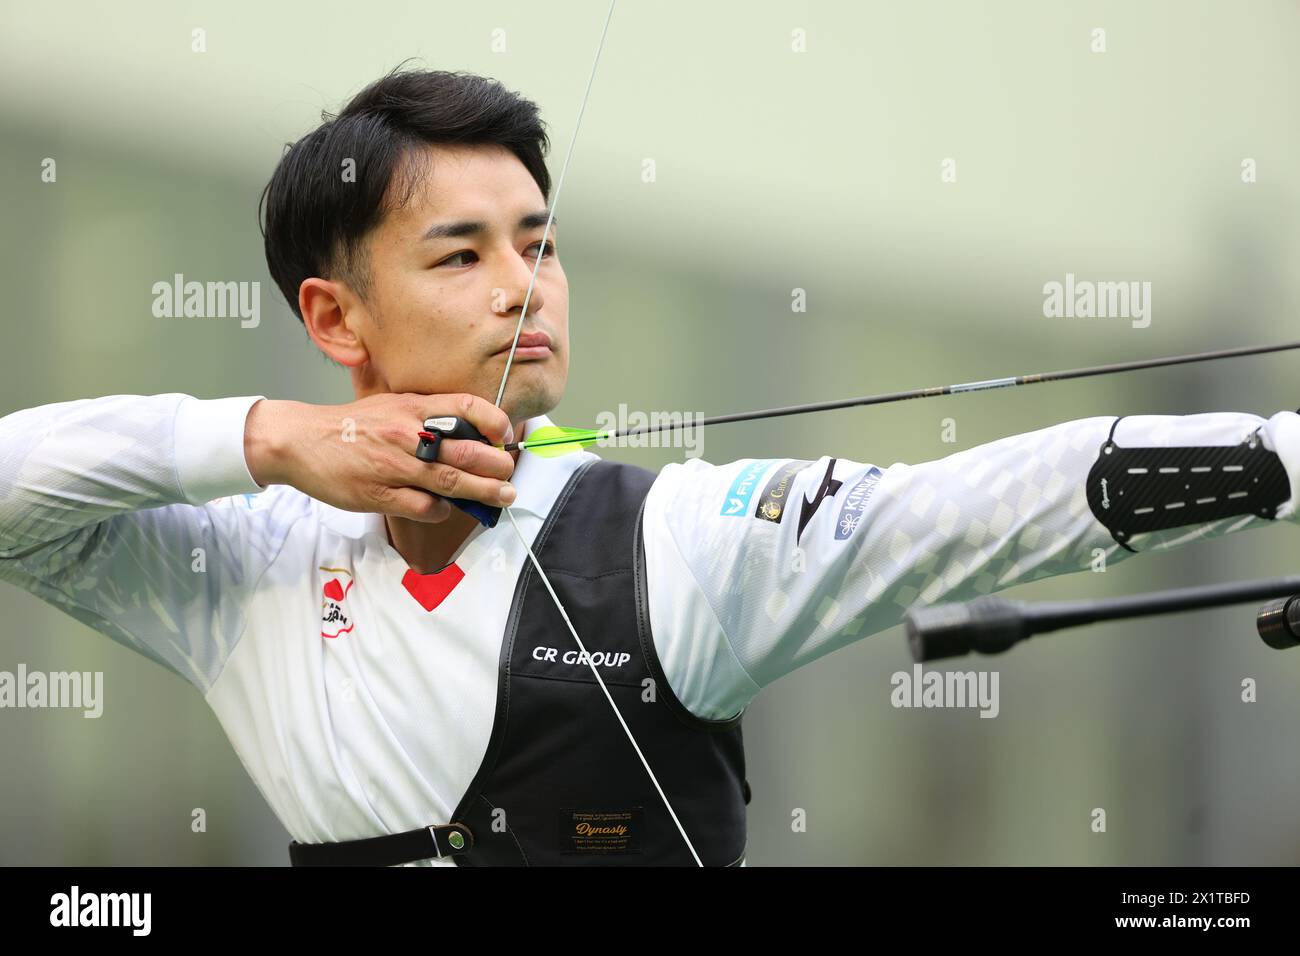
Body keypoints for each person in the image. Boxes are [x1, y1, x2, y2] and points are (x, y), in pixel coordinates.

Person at [2, 68, 1298, 866]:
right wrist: (270, 440)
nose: (526, 289)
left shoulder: (673, 540)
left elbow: (977, 507)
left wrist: (1284, 457)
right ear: (336, 320)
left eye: (541, 245)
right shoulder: (244, 563)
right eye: (463, 255)